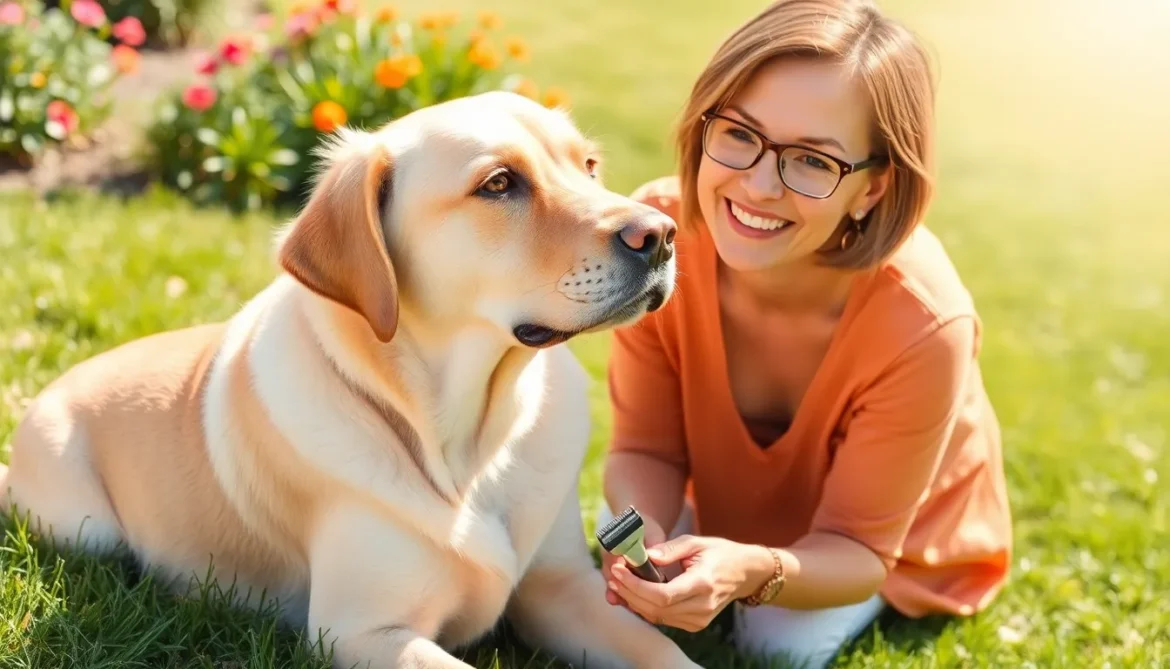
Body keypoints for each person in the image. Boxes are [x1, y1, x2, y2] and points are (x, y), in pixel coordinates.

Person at [596, 1, 1013, 667]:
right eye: (738, 133)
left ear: (872, 190)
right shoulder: (658, 238)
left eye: (814, 163)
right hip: (733, 503)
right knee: (617, 541)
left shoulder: (924, 324)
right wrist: (642, 529)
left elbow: (859, 548)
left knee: (775, 641)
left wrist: (752, 570)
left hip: (885, 538)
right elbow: (645, 446)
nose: (759, 185)